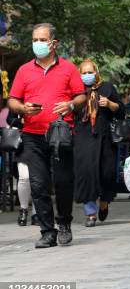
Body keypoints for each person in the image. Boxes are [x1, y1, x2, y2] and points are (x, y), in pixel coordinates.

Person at [8, 23, 87, 248]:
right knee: (38, 184)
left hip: (61, 134)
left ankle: (64, 223)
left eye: (42, 40)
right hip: (32, 135)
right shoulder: (24, 70)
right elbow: (12, 100)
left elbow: (81, 96)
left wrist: (71, 105)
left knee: (63, 182)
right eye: (35, 39)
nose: (37, 44)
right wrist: (22, 109)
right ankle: (47, 231)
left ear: (54, 43)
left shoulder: (69, 68)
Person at [73, 59, 124, 227]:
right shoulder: (76, 90)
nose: (87, 76)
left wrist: (110, 104)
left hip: (104, 136)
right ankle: (90, 213)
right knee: (86, 173)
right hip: (83, 136)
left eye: (90, 72)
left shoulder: (107, 87)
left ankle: (104, 201)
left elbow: (121, 111)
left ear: (96, 72)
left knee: (106, 173)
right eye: (84, 73)